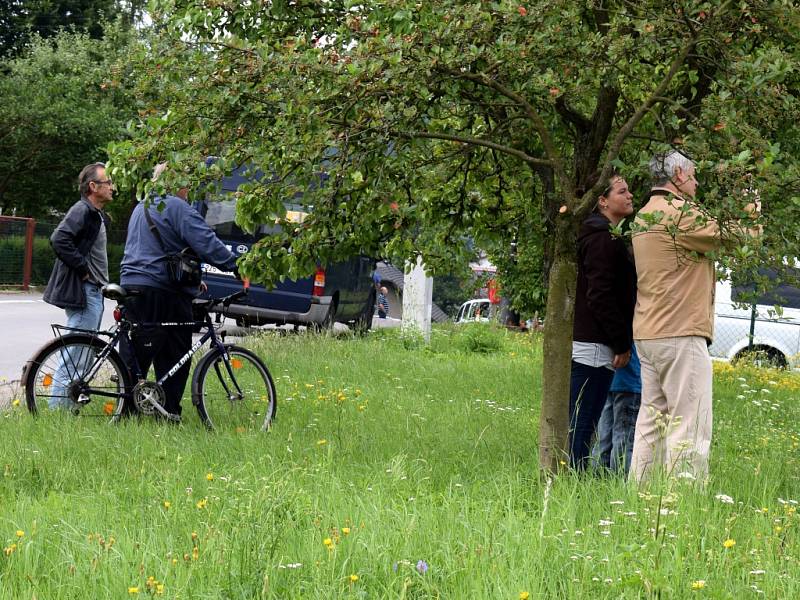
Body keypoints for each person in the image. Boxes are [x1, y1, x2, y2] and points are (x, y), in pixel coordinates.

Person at [629, 150, 759, 482]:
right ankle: (682, 505)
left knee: (651, 423)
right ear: (679, 176)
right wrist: (750, 200)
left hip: (648, 331)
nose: (698, 181)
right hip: (679, 331)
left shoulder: (644, 214)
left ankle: (639, 495)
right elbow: (745, 237)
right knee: (690, 422)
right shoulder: (680, 214)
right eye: (694, 174)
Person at [120, 165, 239, 419]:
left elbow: (151, 249)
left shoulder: (141, 207)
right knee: (176, 353)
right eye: (187, 183)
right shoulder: (176, 207)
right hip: (162, 288)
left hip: (132, 284)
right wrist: (235, 266)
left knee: (138, 350)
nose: (189, 189)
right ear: (176, 184)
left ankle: (128, 409)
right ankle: (168, 411)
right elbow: (206, 241)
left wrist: (191, 279)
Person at [568, 173, 637, 470]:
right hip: (594, 346)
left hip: (595, 342)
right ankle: (573, 481)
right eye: (622, 191)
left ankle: (576, 479)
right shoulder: (602, 239)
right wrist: (620, 341)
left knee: (586, 421)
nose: (630, 195)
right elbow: (600, 295)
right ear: (602, 200)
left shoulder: (605, 236)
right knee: (583, 424)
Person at [43, 162, 114, 409]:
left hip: (93, 293)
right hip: (85, 295)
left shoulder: (95, 214)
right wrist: (83, 269)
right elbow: (59, 239)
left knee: (82, 357)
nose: (112, 187)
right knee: (74, 357)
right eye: (108, 183)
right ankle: (58, 415)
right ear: (93, 187)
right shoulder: (82, 210)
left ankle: (67, 412)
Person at [592, 346, 641, 475]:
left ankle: (597, 480)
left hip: (608, 380)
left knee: (603, 436)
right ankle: (619, 482)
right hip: (630, 382)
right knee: (624, 439)